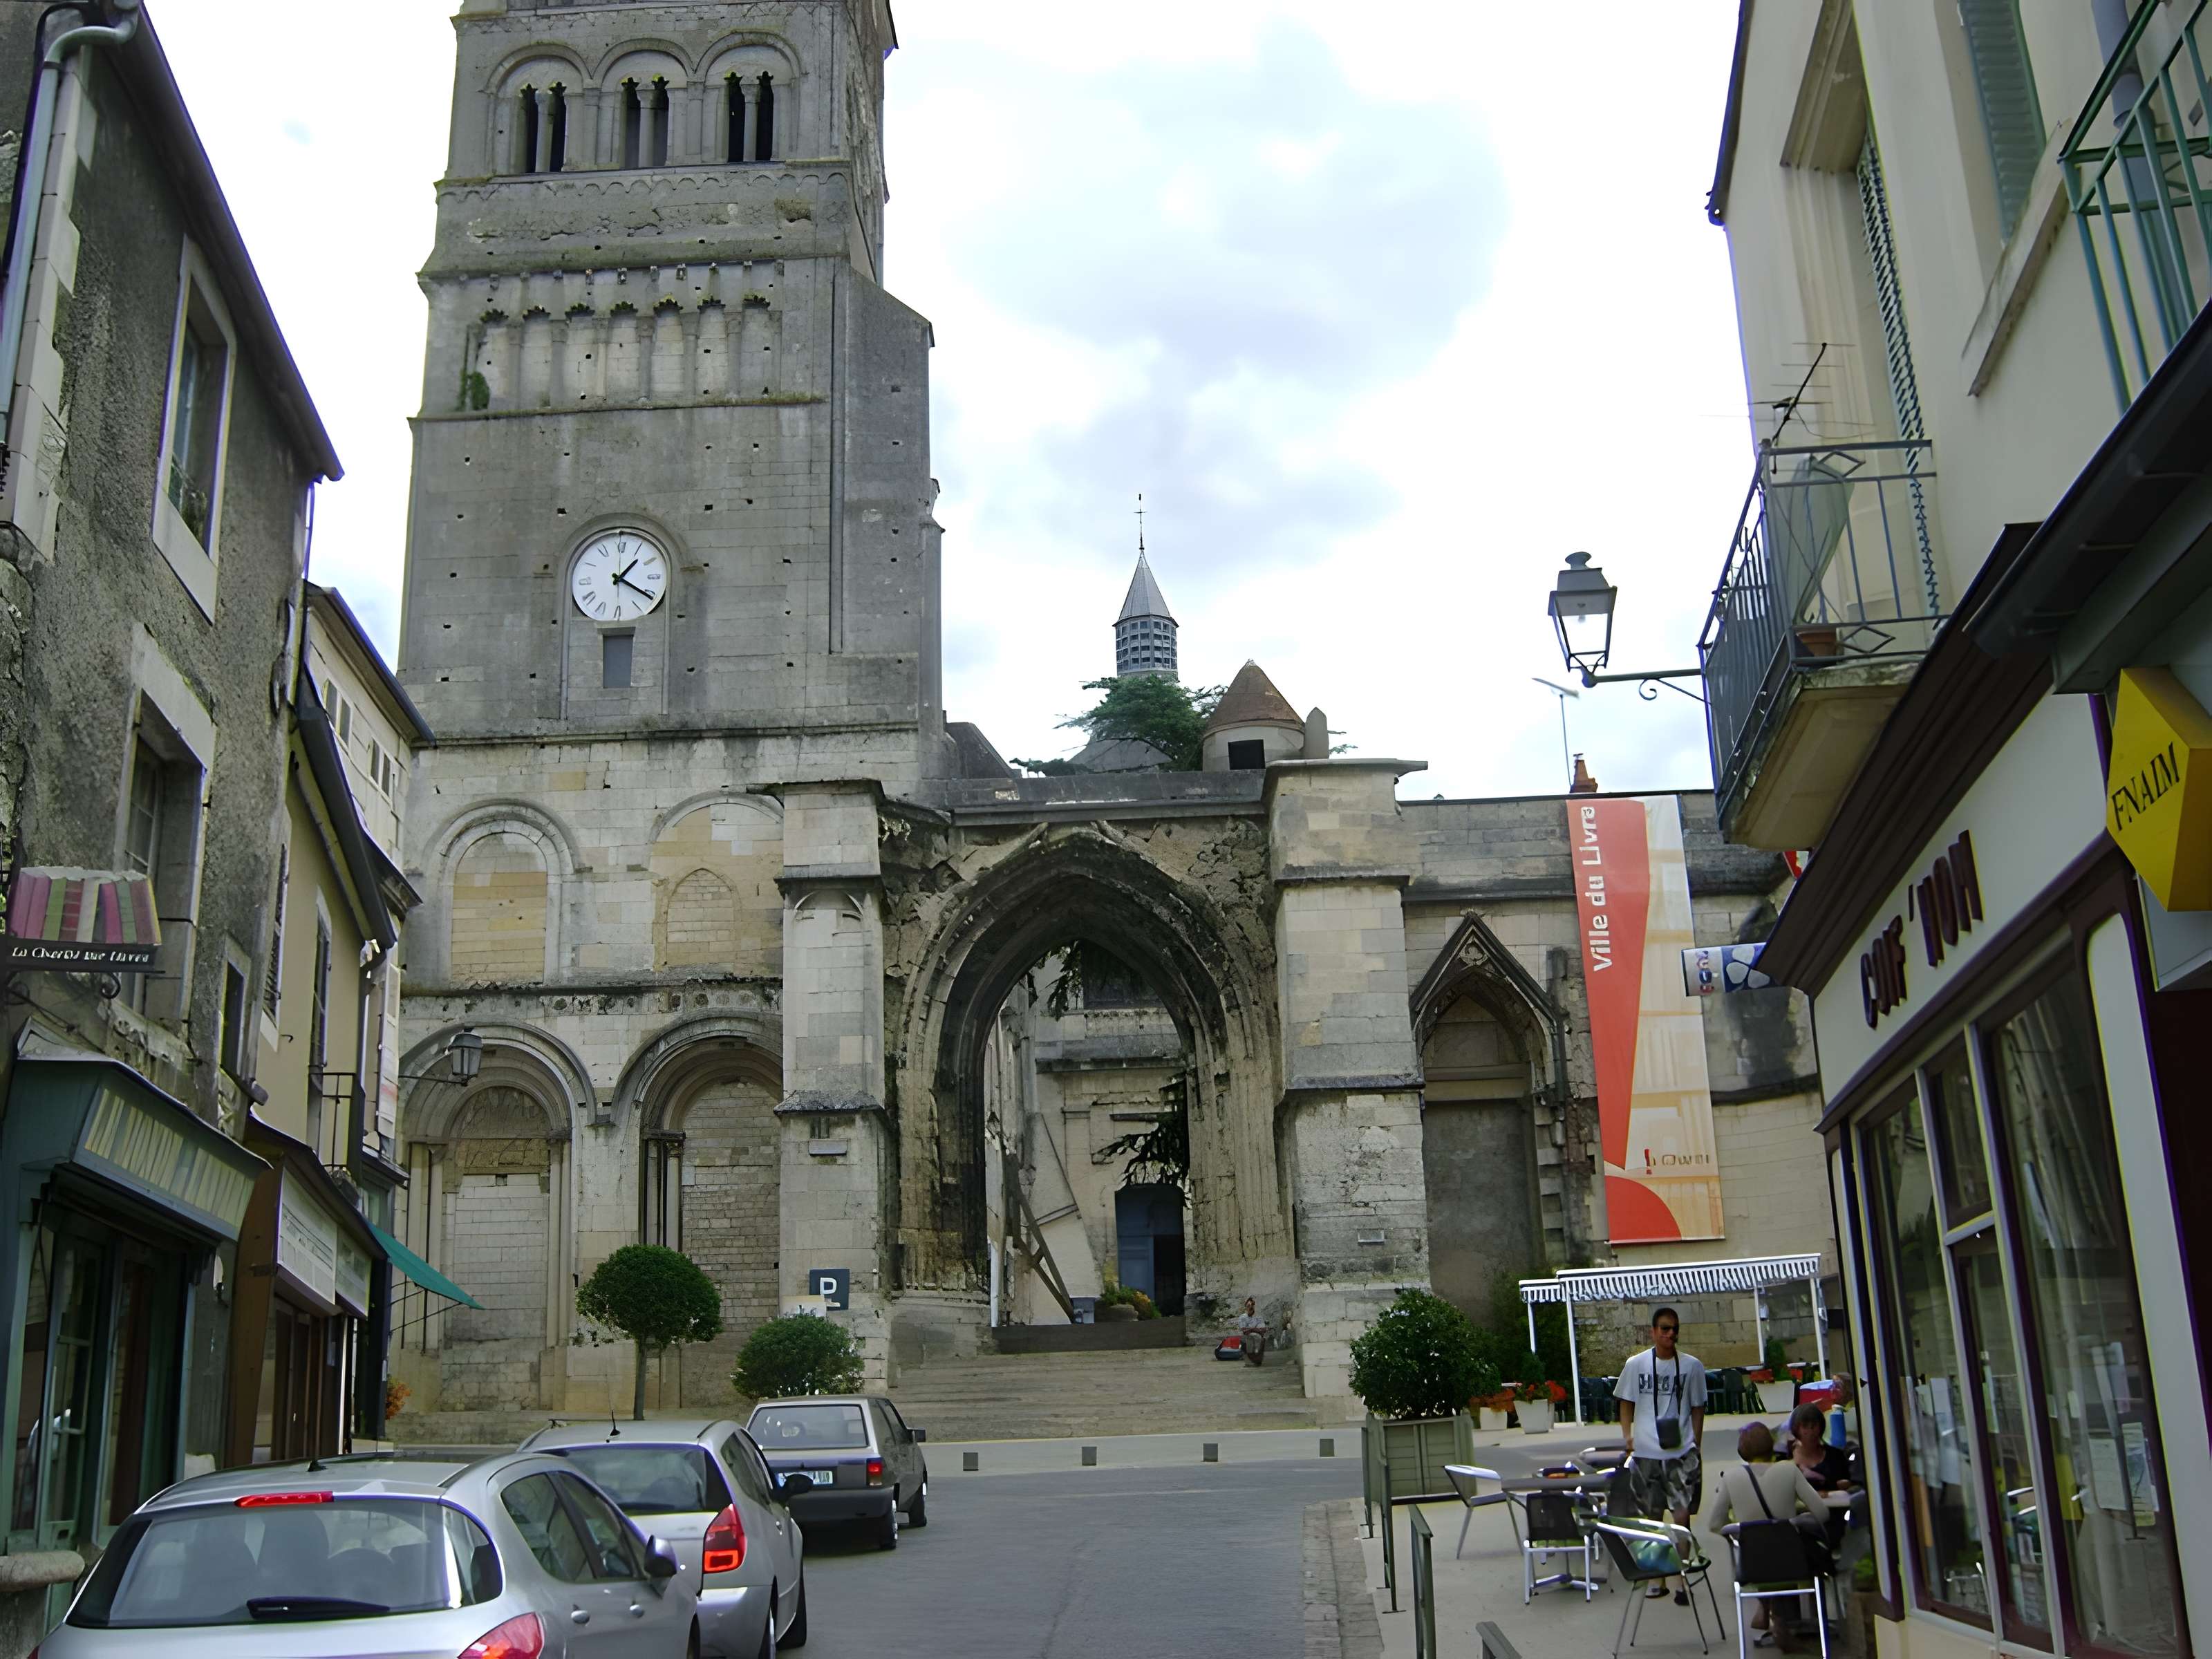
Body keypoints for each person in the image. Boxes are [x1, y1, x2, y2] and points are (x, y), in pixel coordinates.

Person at [1701, 1421, 1832, 1648]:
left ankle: (1771, 1614)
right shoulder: (1789, 1470)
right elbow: (1821, 1513)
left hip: (1753, 1565)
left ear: (1742, 1451)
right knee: (1792, 1551)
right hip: (1794, 1562)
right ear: (1772, 1447)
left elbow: (1714, 1524)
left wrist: (1739, 1528)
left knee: (1764, 1551)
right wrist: (1794, 1518)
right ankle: (1784, 1622)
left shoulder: (1731, 1478)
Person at [1616, 1306, 1708, 1602]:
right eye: (1665, 1329)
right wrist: (1627, 1436)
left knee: (1681, 1516)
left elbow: (1698, 1407)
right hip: (1646, 1452)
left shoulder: (1692, 1366)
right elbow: (1626, 1401)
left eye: (1674, 1329)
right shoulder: (1637, 1364)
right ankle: (1657, 1578)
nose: (1670, 1334)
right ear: (1654, 1332)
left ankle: (1681, 1578)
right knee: (1651, 1517)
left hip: (1680, 1452)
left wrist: (1696, 1443)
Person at [1237, 1297, 1268, 1367]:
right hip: (1248, 1336)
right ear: (1246, 1307)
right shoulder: (1242, 1318)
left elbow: (1263, 1329)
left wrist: (1251, 1329)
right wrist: (1255, 1329)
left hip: (1258, 1336)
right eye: (1248, 1306)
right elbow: (1245, 1330)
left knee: (1259, 1338)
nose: (1250, 1308)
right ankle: (1250, 1361)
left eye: (1252, 1306)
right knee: (1250, 1337)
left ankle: (1257, 1361)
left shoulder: (1259, 1317)